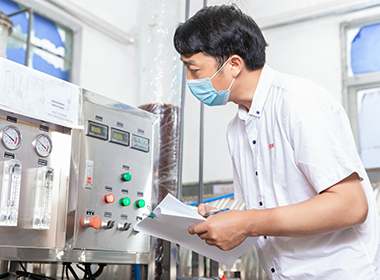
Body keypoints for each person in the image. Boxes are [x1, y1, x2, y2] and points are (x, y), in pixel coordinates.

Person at [173, 4, 380, 280]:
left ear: (233, 64)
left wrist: (246, 223)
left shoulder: (297, 102)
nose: (190, 81)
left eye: (194, 70)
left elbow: (351, 205)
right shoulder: (237, 129)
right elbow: (269, 211)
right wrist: (224, 219)